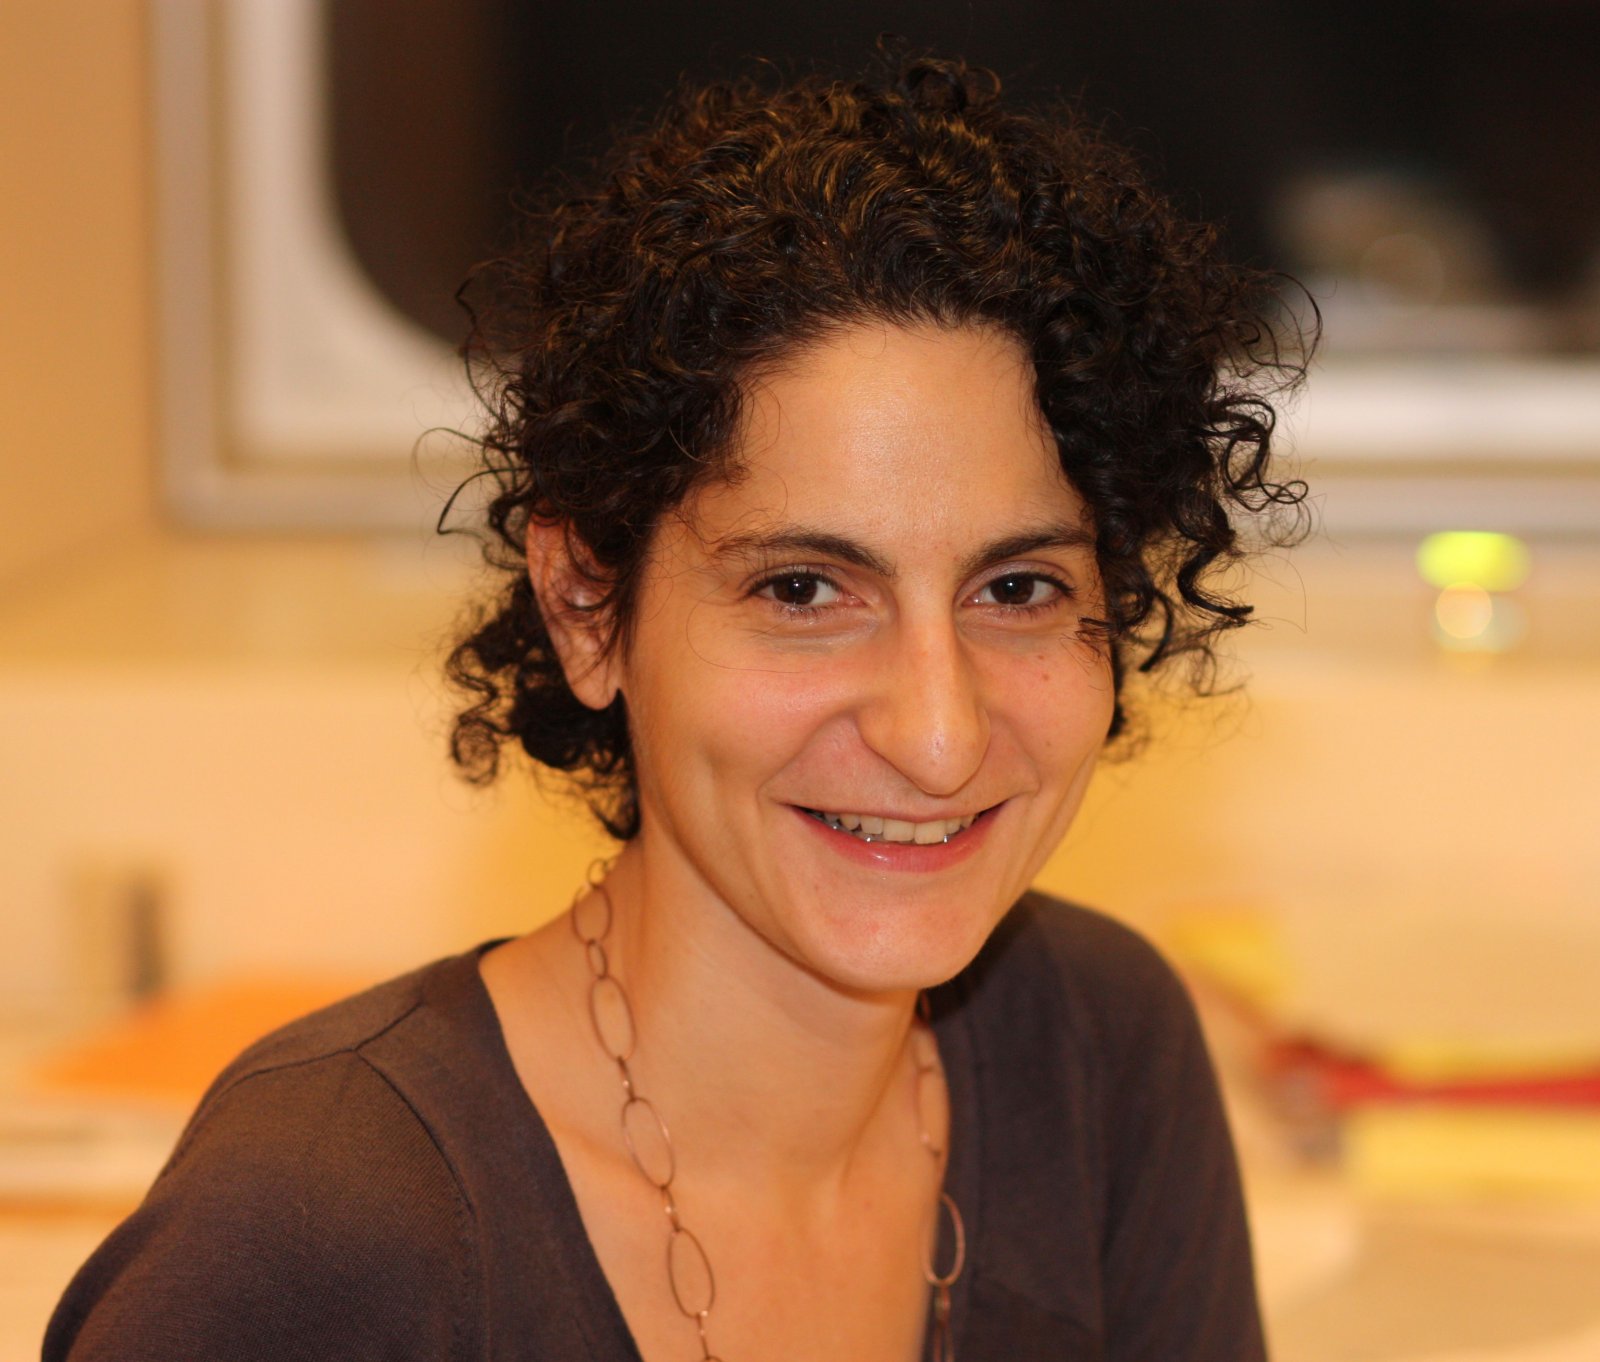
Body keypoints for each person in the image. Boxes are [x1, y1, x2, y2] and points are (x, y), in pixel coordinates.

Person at [46, 48, 1307, 1362]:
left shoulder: (1100, 1054)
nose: (938, 735)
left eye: (1020, 588)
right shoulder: (319, 1229)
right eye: (805, 589)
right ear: (588, 606)